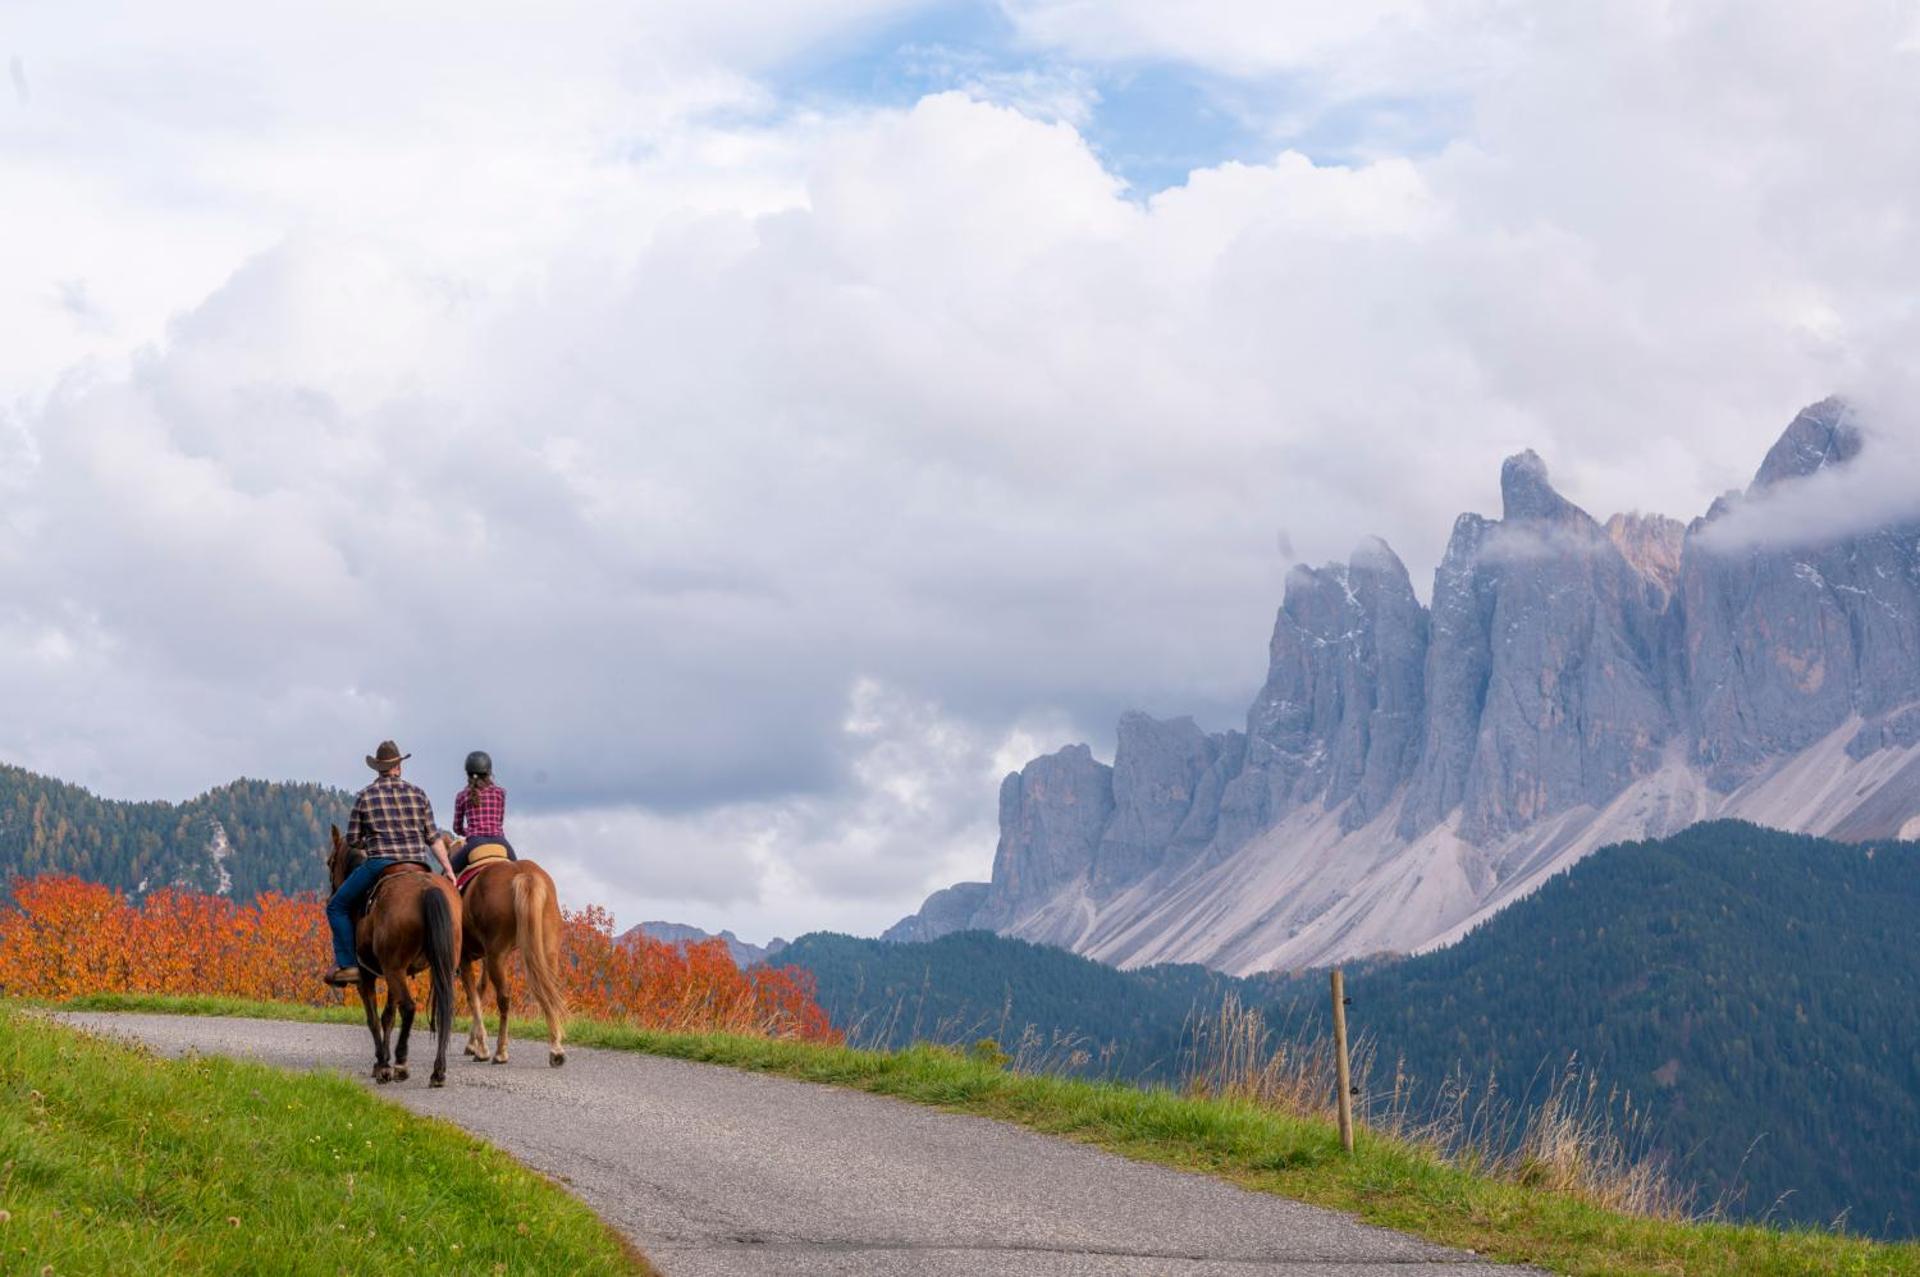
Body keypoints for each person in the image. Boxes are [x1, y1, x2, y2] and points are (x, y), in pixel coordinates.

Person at [323, 740, 455, 987]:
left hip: (380, 864)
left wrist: (370, 843)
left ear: (378, 768)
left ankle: (349, 965)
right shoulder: (418, 794)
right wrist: (447, 868)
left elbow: (352, 839)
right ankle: (454, 960)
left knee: (336, 906)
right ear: (398, 767)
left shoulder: (365, 796)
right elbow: (433, 838)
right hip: (418, 863)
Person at [442, 749, 519, 876]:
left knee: (447, 874)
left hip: (474, 843)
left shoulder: (462, 796)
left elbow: (457, 828)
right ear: (489, 772)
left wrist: (470, 831)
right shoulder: (500, 793)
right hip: (500, 841)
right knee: (518, 870)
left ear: (468, 774)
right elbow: (499, 822)